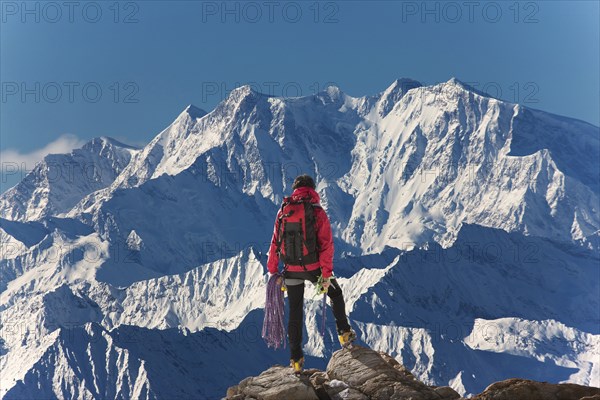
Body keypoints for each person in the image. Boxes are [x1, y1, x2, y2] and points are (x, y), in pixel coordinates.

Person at [267, 174, 356, 373]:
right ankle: (344, 333)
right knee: (335, 293)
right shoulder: (317, 212)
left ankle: (296, 360)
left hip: (290, 270)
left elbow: (275, 242)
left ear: (295, 189)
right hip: (314, 267)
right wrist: (325, 275)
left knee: (295, 312)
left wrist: (274, 270)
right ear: (312, 189)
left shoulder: (284, 211)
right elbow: (326, 246)